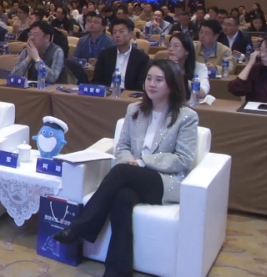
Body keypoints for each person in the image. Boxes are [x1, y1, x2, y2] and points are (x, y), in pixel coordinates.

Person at [54, 59, 198, 276]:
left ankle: (79, 227)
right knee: (122, 198)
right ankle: (117, 271)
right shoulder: (134, 110)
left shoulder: (187, 117)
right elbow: (122, 147)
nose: (152, 84)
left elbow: (183, 159)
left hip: (164, 181)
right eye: (149, 78)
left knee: (122, 171)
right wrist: (132, 163)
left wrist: (142, 162)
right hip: (132, 176)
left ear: (172, 84)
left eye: (159, 80)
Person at [92, 18, 149, 91]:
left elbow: (141, 84)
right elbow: (96, 79)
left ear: (130, 34)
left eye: (121, 31)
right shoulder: (105, 55)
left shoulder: (141, 58)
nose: (117, 35)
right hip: (107, 94)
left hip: (128, 95)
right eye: (114, 32)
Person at [167, 33, 209, 100]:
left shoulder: (199, 67)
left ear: (187, 51)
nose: (171, 49)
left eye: (176, 46)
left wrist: (182, 79)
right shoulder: (163, 66)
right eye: (169, 46)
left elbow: (202, 92)